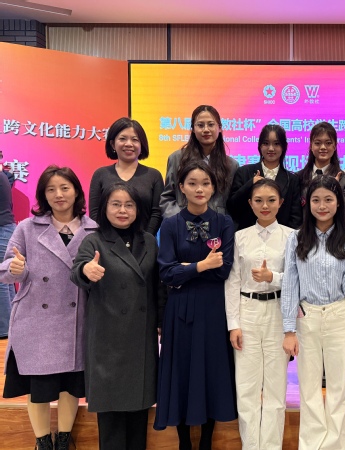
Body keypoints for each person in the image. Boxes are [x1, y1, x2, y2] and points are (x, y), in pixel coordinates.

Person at [0, 165, 97, 450]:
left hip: (77, 319)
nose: (58, 194)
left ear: (76, 192)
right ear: (43, 195)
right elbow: (6, 268)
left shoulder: (94, 229)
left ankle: (64, 438)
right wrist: (16, 268)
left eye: (65, 188)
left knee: (71, 386)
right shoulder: (27, 228)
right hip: (36, 320)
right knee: (38, 388)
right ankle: (42, 441)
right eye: (51, 189)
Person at [71, 182, 161, 450]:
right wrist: (86, 271)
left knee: (138, 414)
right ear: (105, 208)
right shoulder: (94, 240)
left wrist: (161, 322)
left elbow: (157, 285)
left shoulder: (148, 241)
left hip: (140, 336)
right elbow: (77, 270)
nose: (123, 210)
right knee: (110, 416)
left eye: (129, 205)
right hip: (108, 338)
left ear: (138, 209)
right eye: (116, 204)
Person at [281, 175, 345, 450]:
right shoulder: (296, 238)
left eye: (328, 200)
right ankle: (311, 445)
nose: (322, 206)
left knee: (338, 388)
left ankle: (335, 445)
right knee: (308, 388)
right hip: (306, 316)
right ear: (307, 203)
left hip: (339, 315)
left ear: (338, 203)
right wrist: (288, 329)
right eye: (316, 200)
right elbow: (290, 284)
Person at [155, 161, 237, 450]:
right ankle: (183, 443)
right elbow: (167, 273)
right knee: (181, 372)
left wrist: (186, 268)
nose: (199, 189)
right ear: (181, 188)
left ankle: (205, 442)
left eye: (205, 183)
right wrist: (201, 265)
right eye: (192, 183)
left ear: (214, 188)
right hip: (179, 309)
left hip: (214, 307)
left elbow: (224, 269)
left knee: (211, 371)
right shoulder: (170, 224)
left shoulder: (224, 223)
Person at [225, 178, 293, 449]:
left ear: (281, 203)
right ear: (250, 204)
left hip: (278, 311)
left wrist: (272, 277)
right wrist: (233, 324)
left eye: (271, 200)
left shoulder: (292, 237)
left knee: (276, 389)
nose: (265, 206)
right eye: (259, 201)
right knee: (247, 389)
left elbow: (298, 280)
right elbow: (232, 282)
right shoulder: (240, 237)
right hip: (248, 312)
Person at [160, 105, 239, 218]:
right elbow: (167, 198)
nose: (206, 130)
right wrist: (179, 220)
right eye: (200, 125)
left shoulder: (231, 165)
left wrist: (224, 224)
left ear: (220, 128)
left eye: (211, 124)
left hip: (217, 225)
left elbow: (233, 204)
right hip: (182, 223)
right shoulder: (176, 158)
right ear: (193, 129)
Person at [89, 117, 164, 235]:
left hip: (143, 242)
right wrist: (107, 239)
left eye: (135, 139)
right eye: (122, 139)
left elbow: (157, 213)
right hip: (106, 242)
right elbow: (95, 213)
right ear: (113, 144)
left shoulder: (154, 175)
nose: (129, 144)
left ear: (142, 144)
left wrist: (146, 239)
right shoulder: (101, 174)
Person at [227, 124, 302, 230]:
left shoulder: (292, 179)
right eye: (266, 143)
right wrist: (250, 184)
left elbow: (296, 217)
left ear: (283, 147)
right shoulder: (244, 172)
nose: (271, 148)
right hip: (248, 235)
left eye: (276, 144)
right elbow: (232, 208)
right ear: (260, 146)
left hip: (282, 237)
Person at [296, 122, 345, 222]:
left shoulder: (344, 179)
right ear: (311, 146)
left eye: (328, 143)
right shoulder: (298, 177)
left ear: (334, 146)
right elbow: (295, 216)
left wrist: (336, 189)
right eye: (317, 143)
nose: (323, 147)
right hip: (305, 231)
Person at [0, 163, 15, 340]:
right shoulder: (4, 175)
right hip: (6, 228)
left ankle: (5, 328)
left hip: (2, 229)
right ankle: (11, 325)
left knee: (2, 280)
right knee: (6, 279)